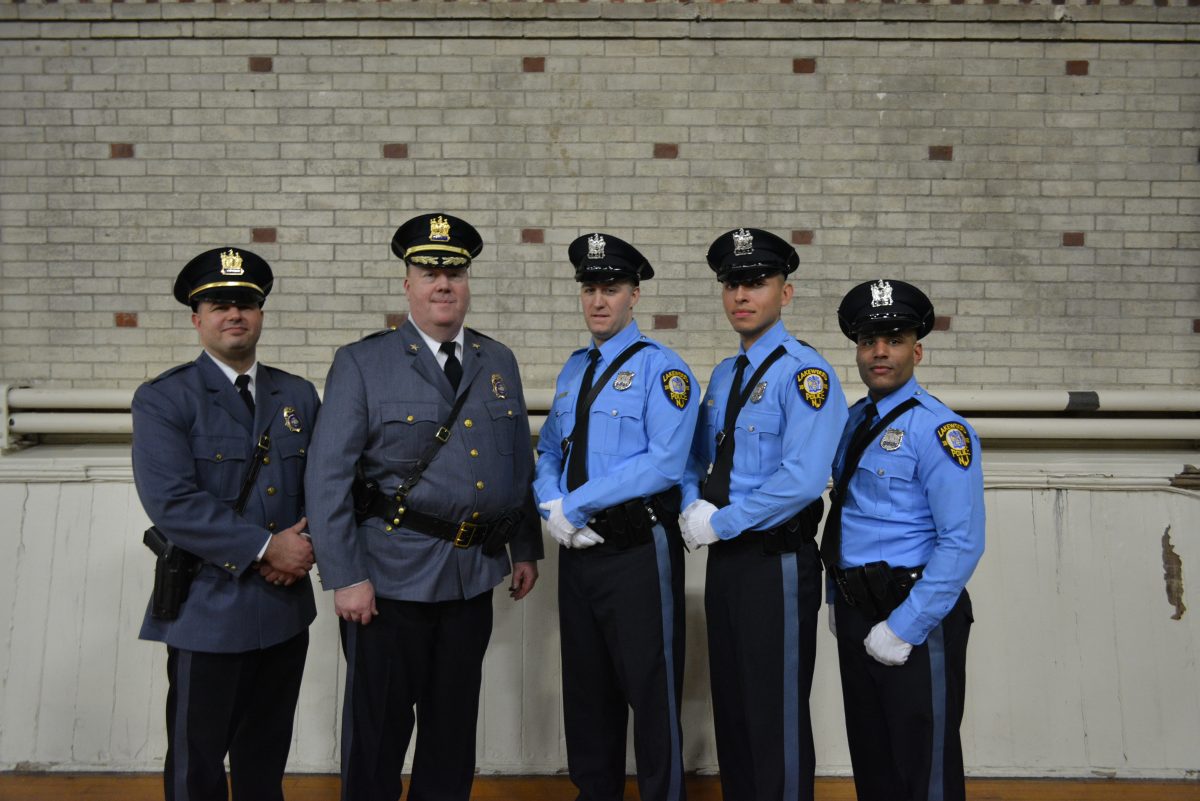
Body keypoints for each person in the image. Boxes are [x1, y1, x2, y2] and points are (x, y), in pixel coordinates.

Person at [304, 213, 543, 801]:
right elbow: (328, 476)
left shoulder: (497, 360)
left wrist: (524, 546)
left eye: (454, 273)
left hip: (471, 577)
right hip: (388, 582)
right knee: (378, 733)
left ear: (467, 283)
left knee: (453, 733)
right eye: (430, 272)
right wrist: (345, 576)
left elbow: (517, 462)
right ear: (407, 283)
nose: (443, 284)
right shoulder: (363, 363)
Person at [132, 247, 320, 801]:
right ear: (197, 319)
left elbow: (324, 483)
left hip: (284, 609)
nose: (234, 314)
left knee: (266, 760)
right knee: (197, 767)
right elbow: (172, 502)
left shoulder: (297, 394)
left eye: (245, 303)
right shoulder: (165, 398)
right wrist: (268, 548)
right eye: (219, 305)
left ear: (260, 314)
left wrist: (304, 546)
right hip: (208, 609)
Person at [679, 228, 848, 801]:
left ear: (786, 292)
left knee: (774, 712)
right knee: (733, 708)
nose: (741, 295)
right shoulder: (726, 374)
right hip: (726, 561)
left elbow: (801, 480)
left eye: (756, 282)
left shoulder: (806, 375)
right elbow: (697, 458)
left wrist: (719, 522)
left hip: (776, 562)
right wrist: (691, 503)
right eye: (732, 284)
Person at [534, 233, 698, 801]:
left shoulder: (663, 370)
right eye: (589, 289)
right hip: (577, 550)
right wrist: (550, 504)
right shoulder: (573, 369)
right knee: (586, 689)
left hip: (637, 550)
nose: (598, 300)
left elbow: (665, 463)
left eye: (611, 289)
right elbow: (550, 450)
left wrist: (574, 504)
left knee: (652, 690)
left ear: (634, 295)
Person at [824, 279, 985, 801]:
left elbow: (961, 542)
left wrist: (905, 627)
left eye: (893, 340)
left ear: (916, 351)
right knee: (873, 761)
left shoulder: (939, 430)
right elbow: (847, 514)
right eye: (868, 340)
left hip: (914, 613)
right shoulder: (853, 421)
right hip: (857, 607)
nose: (879, 351)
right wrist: (837, 600)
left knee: (925, 767)